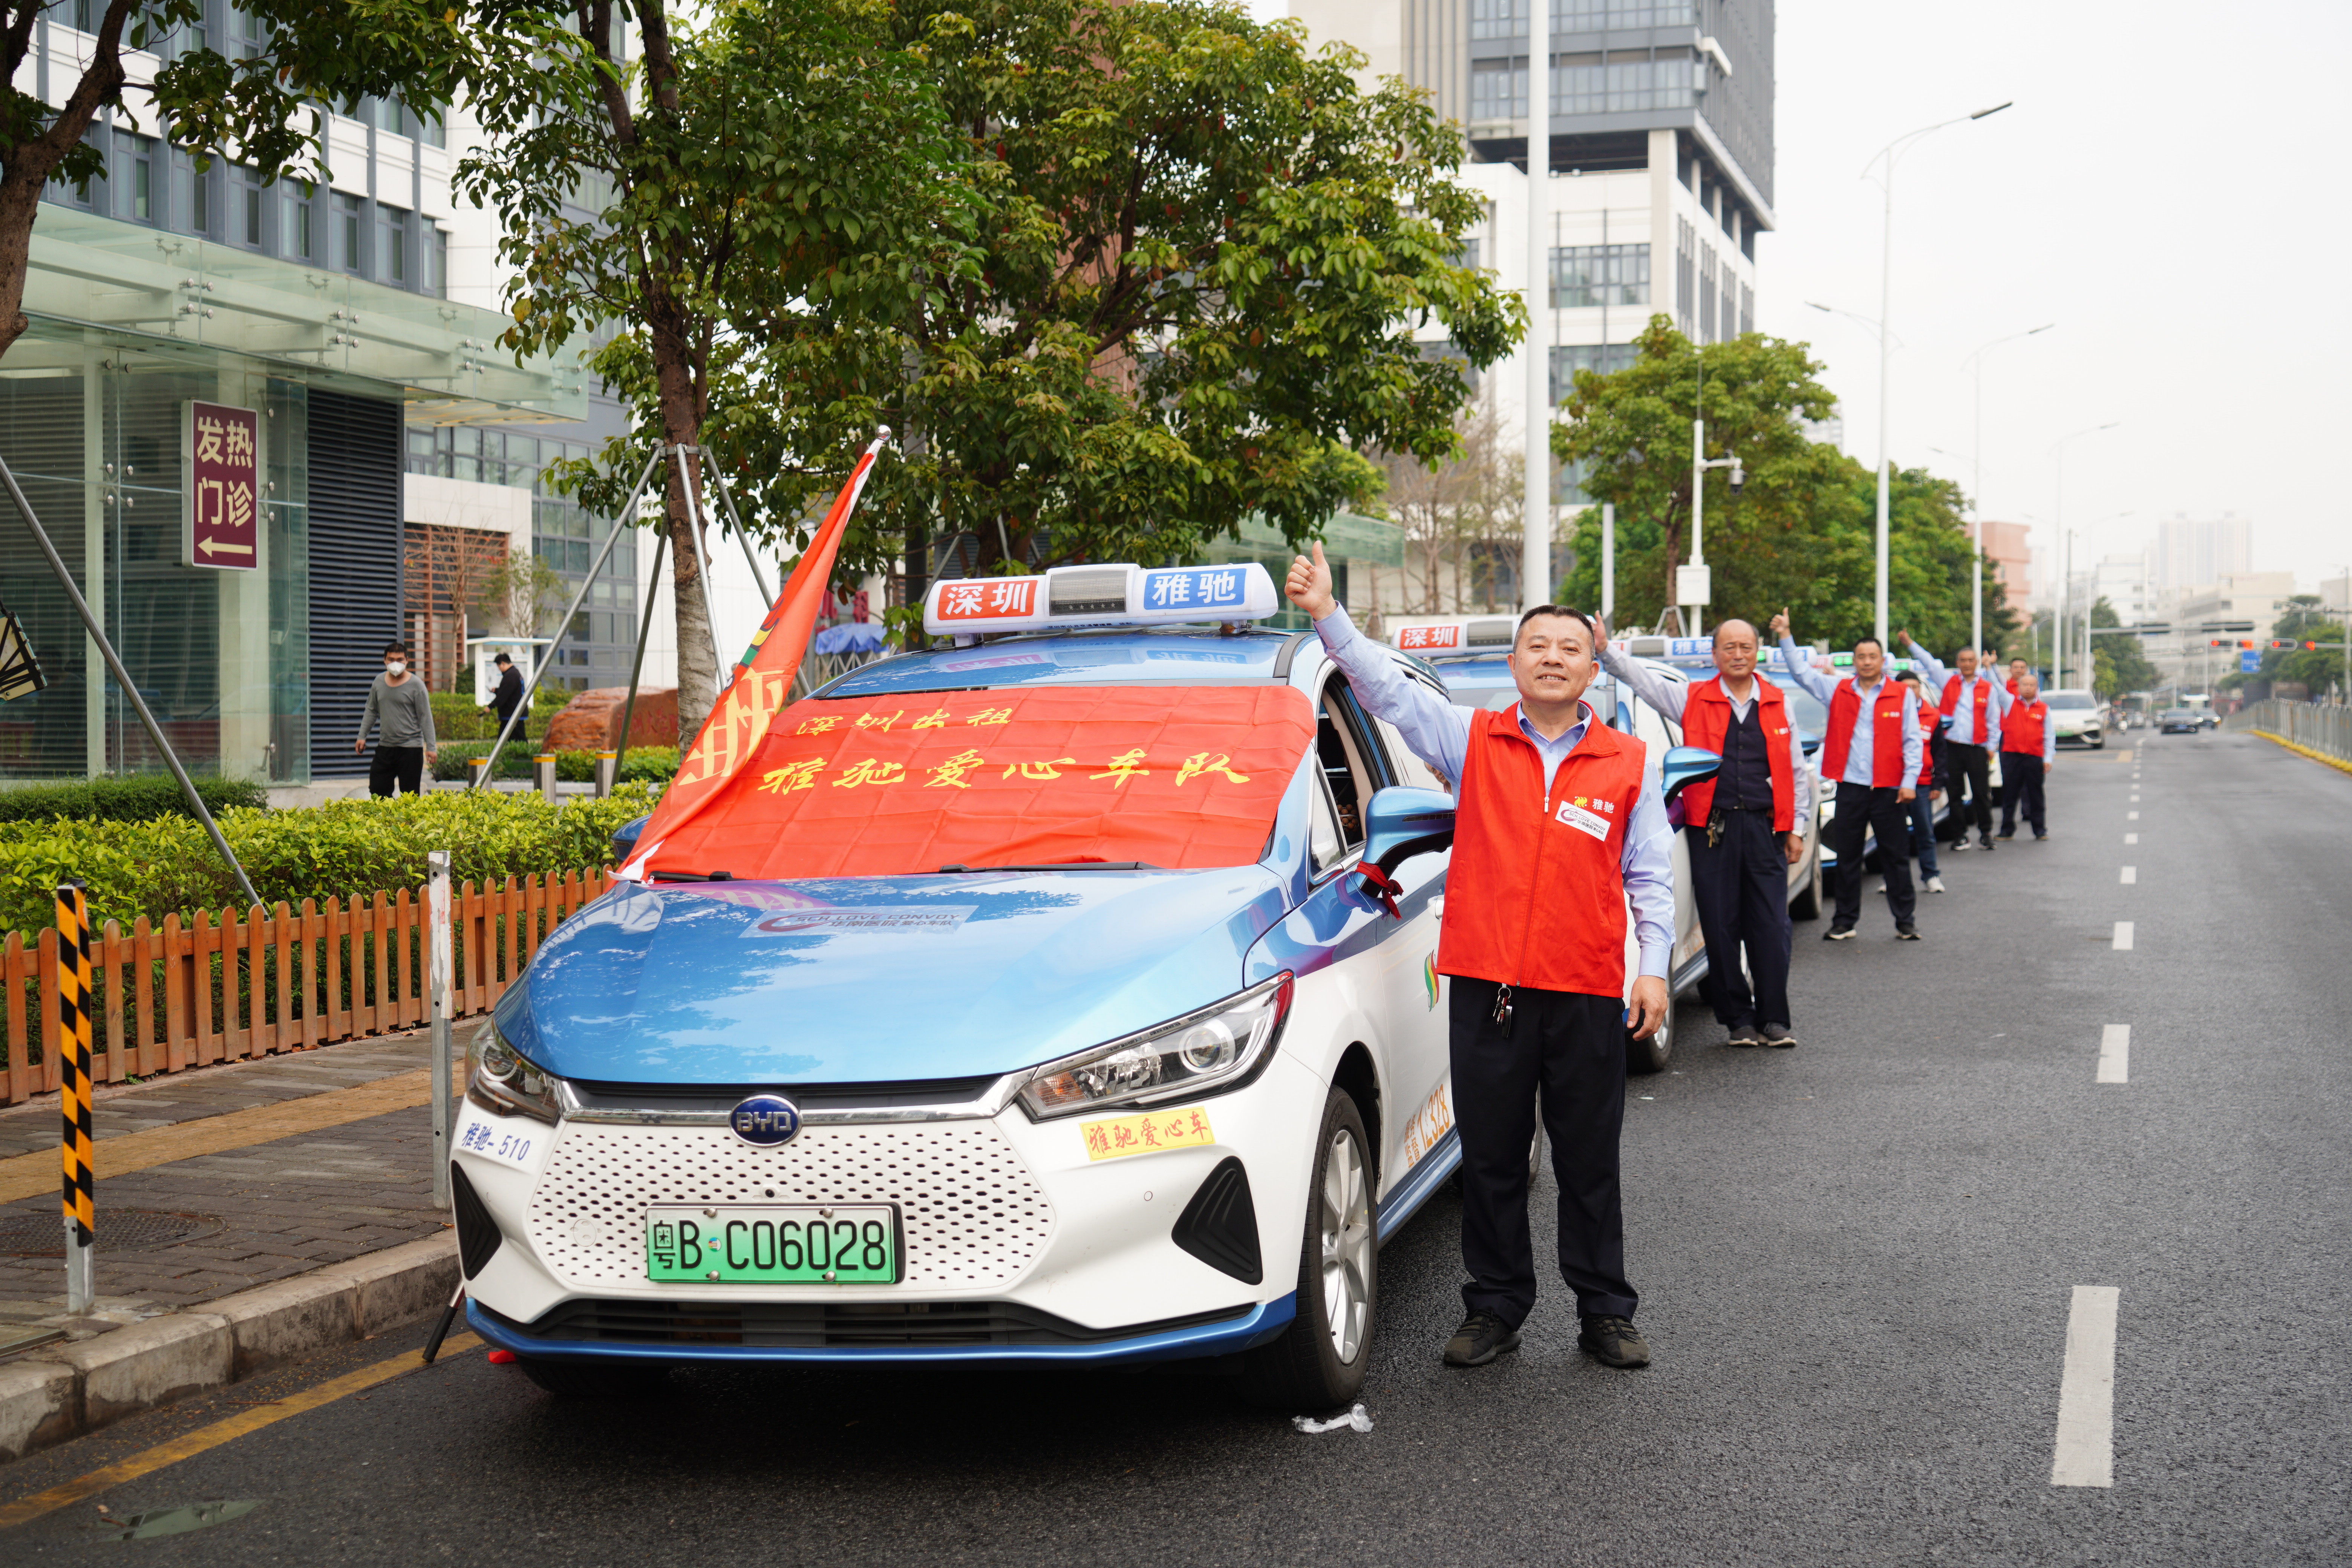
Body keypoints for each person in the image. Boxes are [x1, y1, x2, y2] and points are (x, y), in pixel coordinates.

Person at [1285, 543, 1674, 1373]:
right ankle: (1495, 1305)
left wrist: (1652, 967)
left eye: (1570, 648)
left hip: (1585, 991)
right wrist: (1328, 615)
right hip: (1489, 989)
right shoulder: (1472, 737)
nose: (1553, 658)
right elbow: (1385, 689)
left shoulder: (1628, 763)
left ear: (1591, 666)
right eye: (1538, 646)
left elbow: (1649, 874)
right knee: (1492, 1158)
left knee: (1589, 1161)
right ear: (1514, 663)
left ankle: (1605, 1311)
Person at [1599, 616, 1807, 1049]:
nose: (1738, 654)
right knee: (1719, 924)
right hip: (1712, 830)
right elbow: (1642, 681)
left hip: (1765, 827)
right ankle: (1739, 1021)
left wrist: (1797, 828)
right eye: (1729, 647)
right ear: (1715, 654)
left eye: (1746, 646)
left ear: (1757, 652)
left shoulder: (1778, 702)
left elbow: (1796, 769)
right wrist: (1605, 651)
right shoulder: (1691, 697)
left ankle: (1775, 1018)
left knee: (1771, 926)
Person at [1771, 612, 1923, 941]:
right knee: (1848, 857)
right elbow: (1800, 673)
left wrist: (1910, 782)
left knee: (1896, 857)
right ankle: (1844, 921)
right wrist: (1785, 635)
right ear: (1854, 661)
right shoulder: (1837, 689)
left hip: (1889, 789)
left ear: (1882, 661)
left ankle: (1906, 922)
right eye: (1861, 657)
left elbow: (1912, 740)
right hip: (1851, 787)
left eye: (1873, 656)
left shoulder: (1901, 694)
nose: (1867, 662)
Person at [1900, 632, 2009, 853]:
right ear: (1957, 663)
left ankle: (1986, 834)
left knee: (1981, 793)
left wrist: (1991, 747)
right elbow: (1929, 662)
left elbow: (1993, 720)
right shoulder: (1948, 681)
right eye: (1963, 661)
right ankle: (1960, 836)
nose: (1967, 664)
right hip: (1951, 746)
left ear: (1976, 663)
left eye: (1971, 660)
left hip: (1977, 748)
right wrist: (1910, 643)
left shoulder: (1987, 688)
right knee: (1955, 793)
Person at [355, 640, 437, 797]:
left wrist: (431, 748)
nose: (395, 664)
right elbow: (371, 710)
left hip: (411, 749)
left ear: (407, 661)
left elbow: (425, 717)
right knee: (378, 791)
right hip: (385, 747)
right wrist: (362, 736)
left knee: (409, 796)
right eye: (391, 660)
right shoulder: (379, 682)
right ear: (385, 660)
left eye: (400, 660)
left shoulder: (417, 685)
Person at [1893, 670, 1946, 894]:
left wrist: (1938, 784)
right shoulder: (1888, 713)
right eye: (1905, 688)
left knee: (1925, 832)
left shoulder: (1932, 716)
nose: (1911, 691)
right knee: (1894, 835)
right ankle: (1893, 878)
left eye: (1914, 687)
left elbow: (1941, 753)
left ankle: (1931, 876)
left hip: (1922, 784)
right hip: (1893, 784)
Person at [1997, 671, 2056, 839]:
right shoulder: (2010, 703)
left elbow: (2049, 736)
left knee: (2036, 794)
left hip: (2034, 757)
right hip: (2012, 756)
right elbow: (1996, 686)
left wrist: (2048, 759)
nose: (2028, 688)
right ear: (2019, 687)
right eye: (2024, 685)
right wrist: (1990, 666)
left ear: (2037, 688)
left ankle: (2040, 830)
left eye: (2032, 685)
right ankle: (2006, 830)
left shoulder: (2043, 709)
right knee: (2010, 794)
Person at [484, 652, 527, 740]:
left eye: (499, 667)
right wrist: (497, 691)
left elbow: (503, 696)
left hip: (512, 714)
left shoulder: (511, 675)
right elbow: (510, 692)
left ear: (503, 664)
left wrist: (490, 707)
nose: (499, 669)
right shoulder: (515, 673)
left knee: (514, 740)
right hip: (514, 713)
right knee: (509, 740)